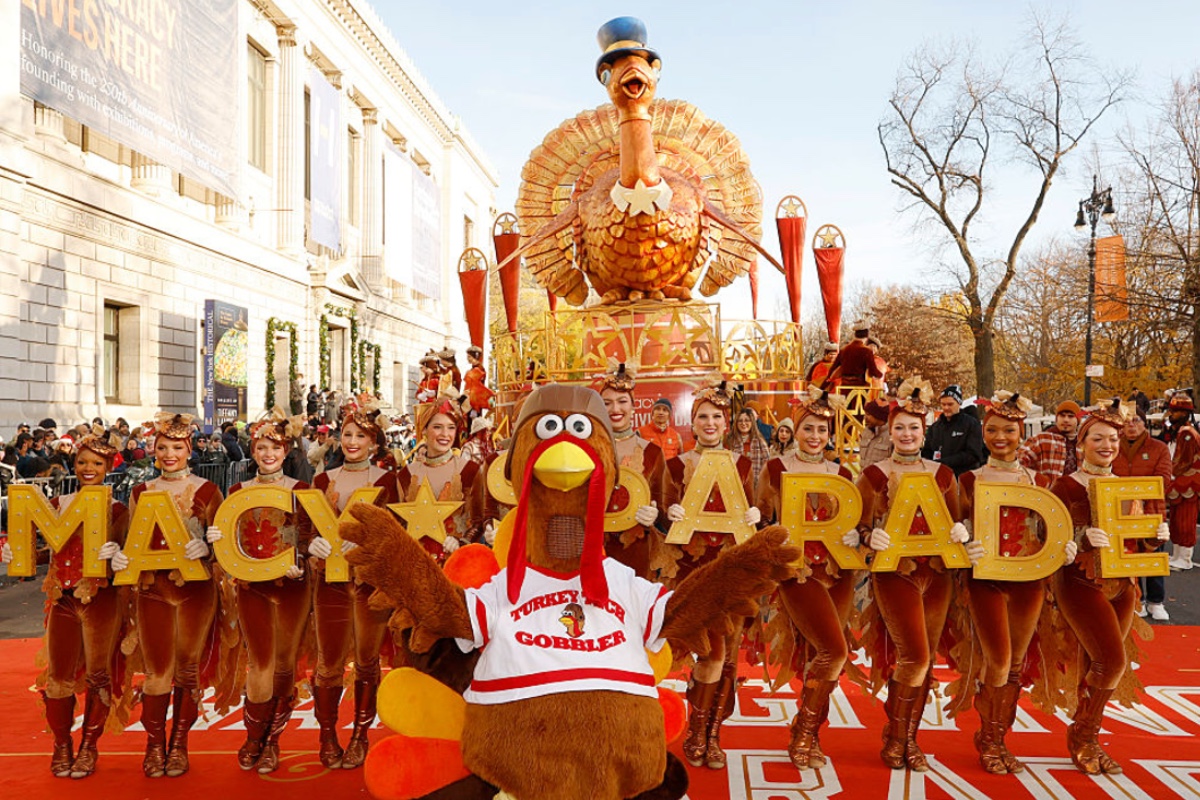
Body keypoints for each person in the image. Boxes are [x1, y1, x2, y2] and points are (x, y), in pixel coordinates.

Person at [1048, 399, 1169, 775]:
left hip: (1123, 585)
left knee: (1101, 666)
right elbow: (1046, 537)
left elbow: (1138, 540)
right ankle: (1084, 736)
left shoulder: (1128, 487)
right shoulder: (1065, 486)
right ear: (1081, 443)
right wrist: (1081, 539)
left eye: (1113, 439)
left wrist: (1155, 538)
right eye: (1097, 439)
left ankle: (1087, 735)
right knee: (1111, 661)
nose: (1107, 446)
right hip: (1081, 583)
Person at [1, 435, 130, 778]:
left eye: (97, 464)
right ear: (74, 464)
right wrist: (19, 553)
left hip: (102, 601)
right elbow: (47, 551)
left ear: (109, 468)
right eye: (83, 462)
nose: (89, 469)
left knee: (99, 674)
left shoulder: (118, 509)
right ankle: (61, 745)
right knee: (57, 679)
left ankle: (89, 747)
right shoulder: (56, 503)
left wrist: (118, 558)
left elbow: (130, 558)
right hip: (62, 599)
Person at [109, 413, 226, 778]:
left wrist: (208, 550)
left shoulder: (208, 491)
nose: (170, 453)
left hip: (196, 591)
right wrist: (118, 554)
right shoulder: (141, 491)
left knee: (187, 671)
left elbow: (222, 543)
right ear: (154, 450)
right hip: (153, 589)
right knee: (158, 673)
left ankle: (179, 744)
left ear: (189, 449)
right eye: (163, 447)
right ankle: (155, 744)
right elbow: (130, 538)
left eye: (177, 447)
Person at [858, 377, 964, 772]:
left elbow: (960, 520)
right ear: (890, 431)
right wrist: (871, 535)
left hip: (936, 575)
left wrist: (961, 530)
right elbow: (857, 527)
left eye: (913, 427)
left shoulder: (943, 475)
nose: (906, 434)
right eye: (899, 427)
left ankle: (906, 739)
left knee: (925, 661)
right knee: (915, 657)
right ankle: (898, 736)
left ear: (925, 430)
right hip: (894, 574)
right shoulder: (872, 475)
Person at [953, 391, 1060, 775]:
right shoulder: (968, 480)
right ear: (983, 433)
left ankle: (995, 737)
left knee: (1015, 664)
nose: (1001, 437)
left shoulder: (1041, 480)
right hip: (986, 580)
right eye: (993, 430)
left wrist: (1065, 545)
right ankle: (992, 739)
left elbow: (1056, 527)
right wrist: (963, 540)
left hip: (1028, 580)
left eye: (1009, 430)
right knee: (997, 661)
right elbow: (955, 527)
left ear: (1021, 434)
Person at [755, 389, 862, 770]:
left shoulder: (844, 473)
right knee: (834, 651)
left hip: (840, 572)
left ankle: (811, 732)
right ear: (795, 430)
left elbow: (860, 521)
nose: (815, 436)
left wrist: (859, 535)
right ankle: (803, 730)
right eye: (808, 428)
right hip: (799, 573)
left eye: (821, 429)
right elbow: (763, 519)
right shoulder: (775, 469)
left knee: (823, 655)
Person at [658, 381, 761, 770]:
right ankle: (698, 736)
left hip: (734, 568)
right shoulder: (675, 465)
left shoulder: (745, 465)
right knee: (712, 653)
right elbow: (661, 511)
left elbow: (760, 509)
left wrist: (758, 516)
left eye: (717, 416)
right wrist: (668, 515)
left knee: (728, 659)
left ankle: (712, 735)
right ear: (692, 422)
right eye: (703, 416)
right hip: (694, 569)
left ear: (728, 422)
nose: (710, 423)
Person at [205, 409, 312, 774]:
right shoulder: (236, 492)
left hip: (292, 585)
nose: (268, 454)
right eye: (262, 447)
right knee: (260, 663)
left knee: (285, 664)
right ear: (253, 450)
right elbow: (227, 534)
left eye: (275, 448)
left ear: (285, 452)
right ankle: (254, 737)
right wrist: (216, 539)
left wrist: (304, 560)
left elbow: (311, 537)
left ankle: (272, 742)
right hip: (252, 586)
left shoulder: (301, 491)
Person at [307, 396, 392, 770]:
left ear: (374, 443)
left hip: (370, 581)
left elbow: (396, 532)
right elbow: (307, 526)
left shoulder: (389, 481)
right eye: (347, 434)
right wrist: (312, 542)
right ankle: (327, 736)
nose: (352, 441)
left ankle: (360, 735)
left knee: (368, 662)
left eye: (361, 435)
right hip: (330, 581)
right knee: (328, 662)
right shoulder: (322, 480)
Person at [381, 395, 486, 561]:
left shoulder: (470, 471)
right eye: (437, 427)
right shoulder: (406, 475)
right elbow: (396, 524)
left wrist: (461, 541)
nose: (445, 434)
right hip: (414, 566)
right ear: (424, 430)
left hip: (456, 567)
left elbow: (479, 522)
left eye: (451, 428)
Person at [596, 363, 665, 577]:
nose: (615, 409)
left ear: (633, 406)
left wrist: (654, 514)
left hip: (635, 553)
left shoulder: (652, 453)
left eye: (622, 401)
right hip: (593, 552)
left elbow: (662, 507)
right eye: (607, 403)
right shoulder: (586, 449)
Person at [1112, 409, 1173, 621]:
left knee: (1153, 555)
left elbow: (1164, 480)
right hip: (1120, 512)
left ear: (1144, 423)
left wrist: (1129, 490)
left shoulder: (1159, 448)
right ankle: (1135, 599)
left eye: (1136, 420)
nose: (1131, 425)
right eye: (1126, 421)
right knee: (1127, 556)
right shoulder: (1113, 447)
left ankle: (1156, 601)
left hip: (1151, 510)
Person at [922, 384, 984, 476]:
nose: (946, 408)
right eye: (943, 404)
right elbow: (927, 452)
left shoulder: (971, 424)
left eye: (950, 404)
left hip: (962, 477)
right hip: (938, 477)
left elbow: (973, 455)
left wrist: (943, 463)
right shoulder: (935, 427)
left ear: (959, 403)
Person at [1020, 400, 1082, 480]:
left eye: (1071, 416)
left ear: (1078, 420)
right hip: (1048, 491)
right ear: (1056, 418)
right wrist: (1038, 480)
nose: (1066, 420)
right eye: (1062, 416)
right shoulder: (1042, 439)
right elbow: (1018, 462)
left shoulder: (1084, 444)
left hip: (1077, 491)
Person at [1168, 426, 1200, 570]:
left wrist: (1173, 470)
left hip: (1188, 482)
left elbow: (1185, 458)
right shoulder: (1180, 432)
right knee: (1176, 521)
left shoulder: (1187, 433)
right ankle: (1177, 555)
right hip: (1180, 481)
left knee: (1185, 521)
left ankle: (1185, 558)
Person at [820, 322, 882, 391]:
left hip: (844, 388)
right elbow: (873, 371)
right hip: (859, 391)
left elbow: (832, 370)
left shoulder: (844, 350)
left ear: (855, 335)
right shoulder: (866, 351)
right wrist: (881, 375)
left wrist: (821, 388)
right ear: (867, 336)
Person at [726, 408, 771, 492]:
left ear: (752, 423)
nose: (743, 423)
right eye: (740, 421)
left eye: (747, 420)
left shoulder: (760, 442)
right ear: (736, 423)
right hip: (734, 487)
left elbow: (767, 468)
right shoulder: (729, 441)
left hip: (756, 488)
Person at [858, 398, 893, 469]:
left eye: (868, 414)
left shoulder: (892, 435)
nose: (865, 417)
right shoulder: (866, 432)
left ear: (879, 416)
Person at [463, 345, 494, 418]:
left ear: (475, 356)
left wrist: (474, 406)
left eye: (469, 356)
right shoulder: (473, 369)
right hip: (470, 398)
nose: (467, 358)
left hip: (475, 400)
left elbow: (477, 387)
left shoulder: (478, 369)